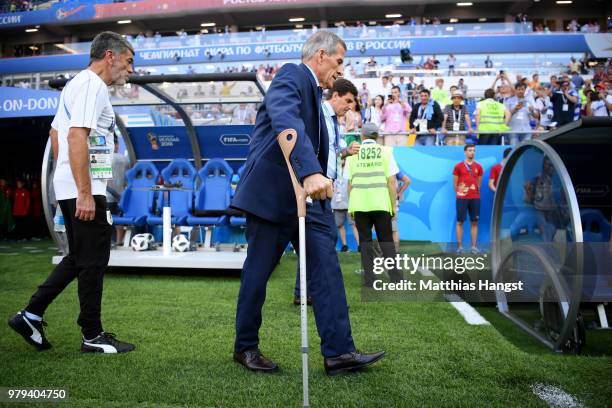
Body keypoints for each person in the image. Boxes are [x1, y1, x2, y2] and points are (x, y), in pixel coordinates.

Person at [231, 31, 385, 376]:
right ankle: (245, 348)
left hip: (310, 200)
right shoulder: (290, 74)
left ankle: (339, 353)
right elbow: (286, 121)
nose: (340, 69)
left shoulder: (316, 95)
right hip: (273, 198)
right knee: (257, 275)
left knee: (327, 270)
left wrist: (316, 178)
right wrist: (312, 172)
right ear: (320, 55)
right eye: (339, 61)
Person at [8, 31, 135, 354]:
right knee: (93, 259)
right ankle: (92, 334)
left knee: (79, 257)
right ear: (110, 56)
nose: (130, 69)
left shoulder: (78, 84)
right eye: (128, 61)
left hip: (73, 182)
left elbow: (56, 133)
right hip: (84, 186)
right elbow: (76, 137)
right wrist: (84, 191)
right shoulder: (91, 85)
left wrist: (67, 176)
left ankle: (31, 314)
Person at [293, 78, 361, 305]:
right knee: (320, 239)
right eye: (348, 100)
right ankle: (308, 291)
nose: (350, 106)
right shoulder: (319, 114)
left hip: (325, 186)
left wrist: (344, 152)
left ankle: (304, 291)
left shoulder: (333, 121)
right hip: (314, 187)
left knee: (315, 241)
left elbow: (329, 149)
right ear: (335, 96)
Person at [345, 122, 402, 287]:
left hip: (360, 204)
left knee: (365, 242)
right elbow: (392, 181)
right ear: (377, 136)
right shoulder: (385, 151)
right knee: (386, 242)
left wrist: (351, 206)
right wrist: (393, 205)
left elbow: (349, 184)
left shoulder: (353, 154)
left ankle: (369, 279)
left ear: (362, 136)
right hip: (381, 204)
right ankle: (395, 278)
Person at [453, 144, 483, 254]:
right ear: (465, 152)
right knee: (460, 222)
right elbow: (455, 185)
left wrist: (473, 191)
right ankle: (460, 247)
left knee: (474, 222)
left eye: (474, 150)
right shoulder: (458, 166)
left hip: (475, 198)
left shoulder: (478, 167)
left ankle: (474, 247)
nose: (472, 152)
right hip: (462, 198)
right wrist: (461, 194)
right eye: (470, 150)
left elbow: (479, 183)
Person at [107, 135, 129, 245]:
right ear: (117, 145)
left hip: (107, 196)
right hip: (120, 197)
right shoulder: (124, 159)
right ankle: (120, 242)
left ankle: (109, 242)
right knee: (119, 221)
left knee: (107, 221)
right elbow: (127, 180)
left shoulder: (104, 158)